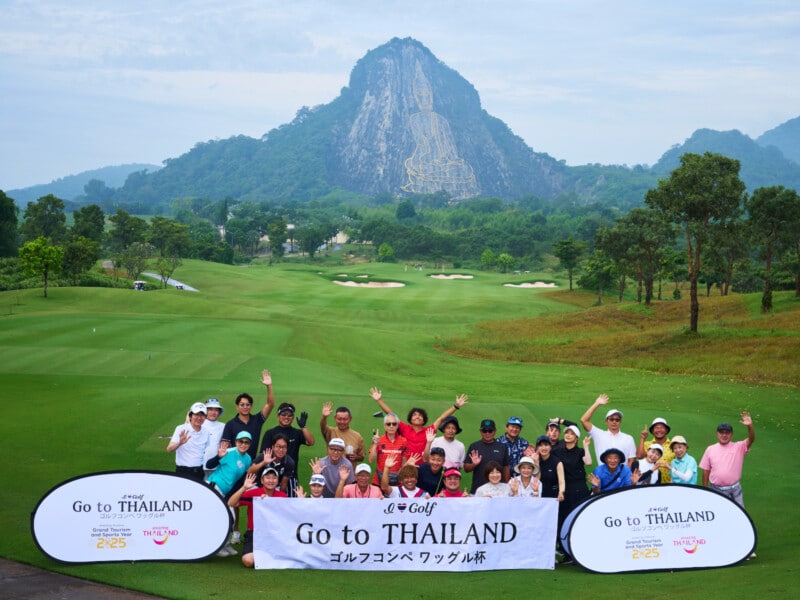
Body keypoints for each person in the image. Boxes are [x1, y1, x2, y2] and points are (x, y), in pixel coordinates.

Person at [370, 387, 468, 455]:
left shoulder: (429, 430)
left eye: (420, 415)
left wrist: (456, 406)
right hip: (406, 464)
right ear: (410, 419)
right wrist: (379, 400)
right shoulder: (404, 428)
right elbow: (391, 414)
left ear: (424, 420)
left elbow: (441, 418)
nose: (418, 417)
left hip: (422, 466)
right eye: (415, 415)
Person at [206, 431, 253, 557]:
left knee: (230, 519)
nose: (243, 444)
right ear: (236, 442)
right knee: (225, 517)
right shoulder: (230, 452)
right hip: (214, 487)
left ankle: (225, 544)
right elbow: (209, 464)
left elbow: (239, 479)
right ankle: (218, 546)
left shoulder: (248, 459)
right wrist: (219, 457)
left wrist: (232, 495)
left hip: (226, 492)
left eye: (246, 442)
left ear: (250, 444)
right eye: (241, 441)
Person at [227, 468, 287, 568]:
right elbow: (231, 503)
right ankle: (265, 555)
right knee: (248, 561)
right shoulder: (253, 494)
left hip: (274, 534)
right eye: (267, 478)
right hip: (254, 533)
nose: (271, 481)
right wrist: (244, 488)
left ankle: (266, 554)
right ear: (262, 481)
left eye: (274, 478)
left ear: (277, 481)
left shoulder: (282, 496)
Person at [700, 413, 755, 509]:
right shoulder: (710, 449)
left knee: (739, 514)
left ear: (731, 434)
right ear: (717, 434)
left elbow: (751, 439)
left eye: (727, 433)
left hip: (735, 490)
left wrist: (750, 426)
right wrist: (705, 490)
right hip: (716, 489)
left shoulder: (739, 447)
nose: (724, 435)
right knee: (718, 514)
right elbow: (706, 471)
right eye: (721, 432)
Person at [220, 370, 276, 461]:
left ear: (251, 406)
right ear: (237, 406)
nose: (245, 407)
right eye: (242, 405)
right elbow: (224, 447)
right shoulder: (230, 424)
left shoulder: (257, 420)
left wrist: (269, 386)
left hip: (251, 463)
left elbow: (270, 404)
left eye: (248, 404)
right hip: (235, 464)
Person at [259, 402, 313, 496]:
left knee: (290, 506)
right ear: (278, 416)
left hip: (291, 476)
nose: (286, 417)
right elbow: (263, 454)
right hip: (272, 476)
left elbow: (311, 442)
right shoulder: (270, 433)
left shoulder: (297, 433)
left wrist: (303, 427)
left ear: (293, 417)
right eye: (283, 414)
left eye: (289, 415)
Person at [552, 425, 592, 531]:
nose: (568, 435)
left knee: (578, 515)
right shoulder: (557, 451)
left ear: (576, 438)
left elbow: (588, 462)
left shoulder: (580, 451)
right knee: (563, 515)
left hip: (579, 488)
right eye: (567, 433)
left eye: (571, 434)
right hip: (564, 487)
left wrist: (586, 446)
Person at [580, 394, 637, 466]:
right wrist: (597, 404)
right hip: (603, 475)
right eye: (611, 419)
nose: (614, 422)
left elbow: (631, 460)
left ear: (620, 422)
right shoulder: (599, 434)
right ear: (606, 421)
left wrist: (625, 476)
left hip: (622, 476)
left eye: (617, 420)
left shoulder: (628, 438)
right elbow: (584, 420)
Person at [166, 402, 210, 482]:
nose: (199, 418)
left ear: (205, 417)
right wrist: (180, 443)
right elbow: (169, 449)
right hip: (183, 471)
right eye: (196, 415)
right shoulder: (181, 429)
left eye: (202, 415)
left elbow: (204, 450)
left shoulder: (206, 432)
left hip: (199, 471)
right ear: (190, 416)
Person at [464, 419, 510, 494]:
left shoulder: (502, 447)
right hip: (478, 489)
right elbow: (466, 468)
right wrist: (474, 464)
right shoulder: (474, 446)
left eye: (490, 431)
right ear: (480, 432)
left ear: (495, 431)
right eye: (484, 431)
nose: (487, 433)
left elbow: (506, 467)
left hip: (498, 491)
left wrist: (507, 485)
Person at [369, 413, 410, 485]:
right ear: (384, 426)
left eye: (394, 424)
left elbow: (404, 462)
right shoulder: (378, 440)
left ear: (397, 426)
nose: (391, 426)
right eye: (388, 424)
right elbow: (371, 460)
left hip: (397, 481)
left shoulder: (404, 441)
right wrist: (375, 444)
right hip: (379, 480)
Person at [636, 418, 674, 482]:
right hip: (649, 482)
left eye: (662, 428)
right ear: (653, 431)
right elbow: (639, 456)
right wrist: (642, 438)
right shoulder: (647, 444)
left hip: (667, 483)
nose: (659, 430)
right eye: (656, 428)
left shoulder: (672, 445)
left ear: (666, 430)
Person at [534, 436, 565, 501]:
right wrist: (537, 464)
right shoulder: (535, 460)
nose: (544, 448)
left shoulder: (557, 462)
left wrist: (561, 492)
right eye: (541, 445)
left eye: (546, 445)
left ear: (550, 447)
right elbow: (537, 480)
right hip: (539, 494)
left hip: (553, 496)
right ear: (537, 448)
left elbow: (561, 481)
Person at [202, 398, 226, 478]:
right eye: (210, 409)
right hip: (199, 466)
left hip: (217, 466)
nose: (213, 412)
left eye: (216, 410)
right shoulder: (198, 425)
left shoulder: (223, 426)